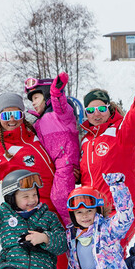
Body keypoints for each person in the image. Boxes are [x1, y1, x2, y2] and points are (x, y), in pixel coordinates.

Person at [0, 91, 72, 269]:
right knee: (57, 258)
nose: (12, 121)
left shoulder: (33, 135)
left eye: (16, 115)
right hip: (35, 210)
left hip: (60, 203)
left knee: (70, 252)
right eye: (6, 116)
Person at [80, 53, 135, 246]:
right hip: (94, 212)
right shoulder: (85, 142)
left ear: (109, 109)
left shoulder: (122, 132)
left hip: (122, 209)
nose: (96, 114)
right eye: (90, 110)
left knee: (109, 251)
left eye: (101, 109)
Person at [25, 73, 81, 226]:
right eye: (32, 100)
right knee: (51, 199)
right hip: (54, 167)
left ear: (45, 94)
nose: (34, 103)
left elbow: (60, 103)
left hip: (66, 161)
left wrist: (56, 92)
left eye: (36, 98)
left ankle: (72, 226)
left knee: (59, 196)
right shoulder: (38, 122)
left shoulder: (61, 114)